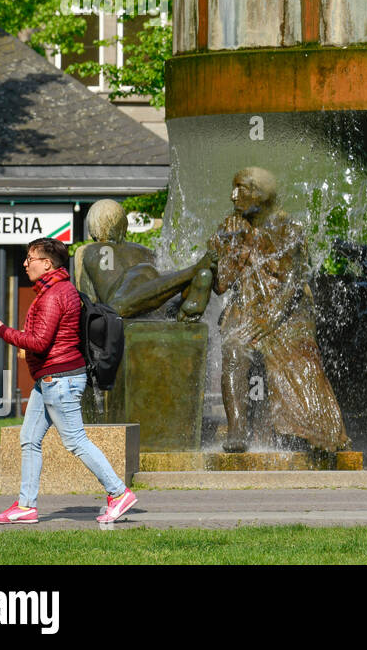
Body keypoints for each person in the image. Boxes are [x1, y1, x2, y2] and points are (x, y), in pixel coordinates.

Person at [0, 237, 136, 524]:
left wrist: (2, 330)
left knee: (76, 441)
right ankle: (26, 506)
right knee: (29, 439)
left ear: (47, 263)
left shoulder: (54, 295)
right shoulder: (57, 290)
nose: (25, 263)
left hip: (59, 380)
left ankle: (118, 492)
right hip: (49, 380)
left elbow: (39, 342)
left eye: (30, 258)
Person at [207, 167, 349, 454]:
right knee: (234, 348)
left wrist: (268, 320)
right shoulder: (233, 227)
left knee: (297, 352)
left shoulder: (290, 230)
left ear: (261, 193)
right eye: (233, 188)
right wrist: (228, 243)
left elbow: (294, 284)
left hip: (287, 313)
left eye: (241, 188)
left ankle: (317, 429)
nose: (233, 195)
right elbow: (221, 285)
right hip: (246, 311)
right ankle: (237, 431)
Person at [77, 199, 212, 321]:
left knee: (116, 306)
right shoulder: (145, 250)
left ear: (92, 227)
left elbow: (85, 300)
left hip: (124, 299)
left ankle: (193, 271)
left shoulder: (89, 250)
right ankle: (184, 296)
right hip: (152, 297)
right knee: (164, 303)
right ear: (124, 224)